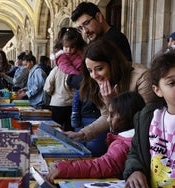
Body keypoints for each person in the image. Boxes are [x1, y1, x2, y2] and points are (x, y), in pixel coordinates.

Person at [65, 39, 157, 144]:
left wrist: (114, 102)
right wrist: (83, 133)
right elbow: (106, 117)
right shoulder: (101, 81)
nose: (94, 76)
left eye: (99, 68)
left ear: (113, 63)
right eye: (90, 71)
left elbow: (145, 119)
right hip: (121, 138)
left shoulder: (142, 77)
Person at [45, 91, 145, 182]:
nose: (108, 120)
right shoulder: (135, 138)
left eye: (112, 116)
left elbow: (102, 166)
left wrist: (65, 169)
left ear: (126, 118)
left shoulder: (122, 145)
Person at [123, 51, 175, 188]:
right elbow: (135, 153)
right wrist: (135, 171)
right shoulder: (148, 118)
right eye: (172, 83)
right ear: (157, 90)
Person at [44, 27, 86, 131]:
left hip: (57, 104)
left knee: (56, 129)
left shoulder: (55, 70)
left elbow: (47, 87)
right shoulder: (65, 60)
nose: (69, 50)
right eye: (66, 47)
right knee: (70, 129)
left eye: (72, 47)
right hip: (72, 103)